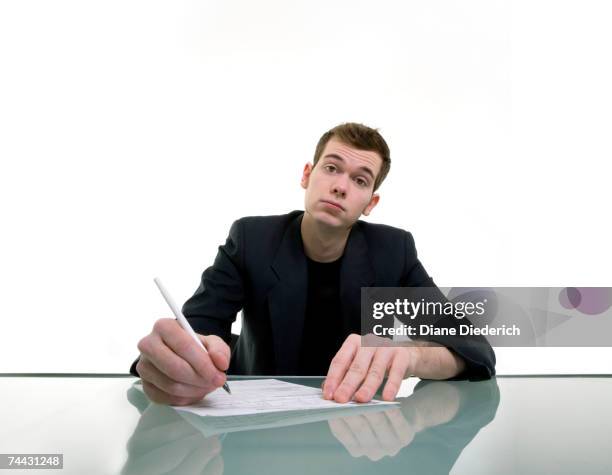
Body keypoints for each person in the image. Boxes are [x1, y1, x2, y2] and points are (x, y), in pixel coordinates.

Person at [130, 122, 496, 406]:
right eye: (332, 168)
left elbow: (472, 347)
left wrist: (411, 355)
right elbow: (194, 333)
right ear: (307, 175)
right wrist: (179, 362)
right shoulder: (251, 240)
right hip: (256, 429)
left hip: (355, 427)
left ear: (371, 203)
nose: (340, 187)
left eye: (359, 179)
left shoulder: (393, 249)